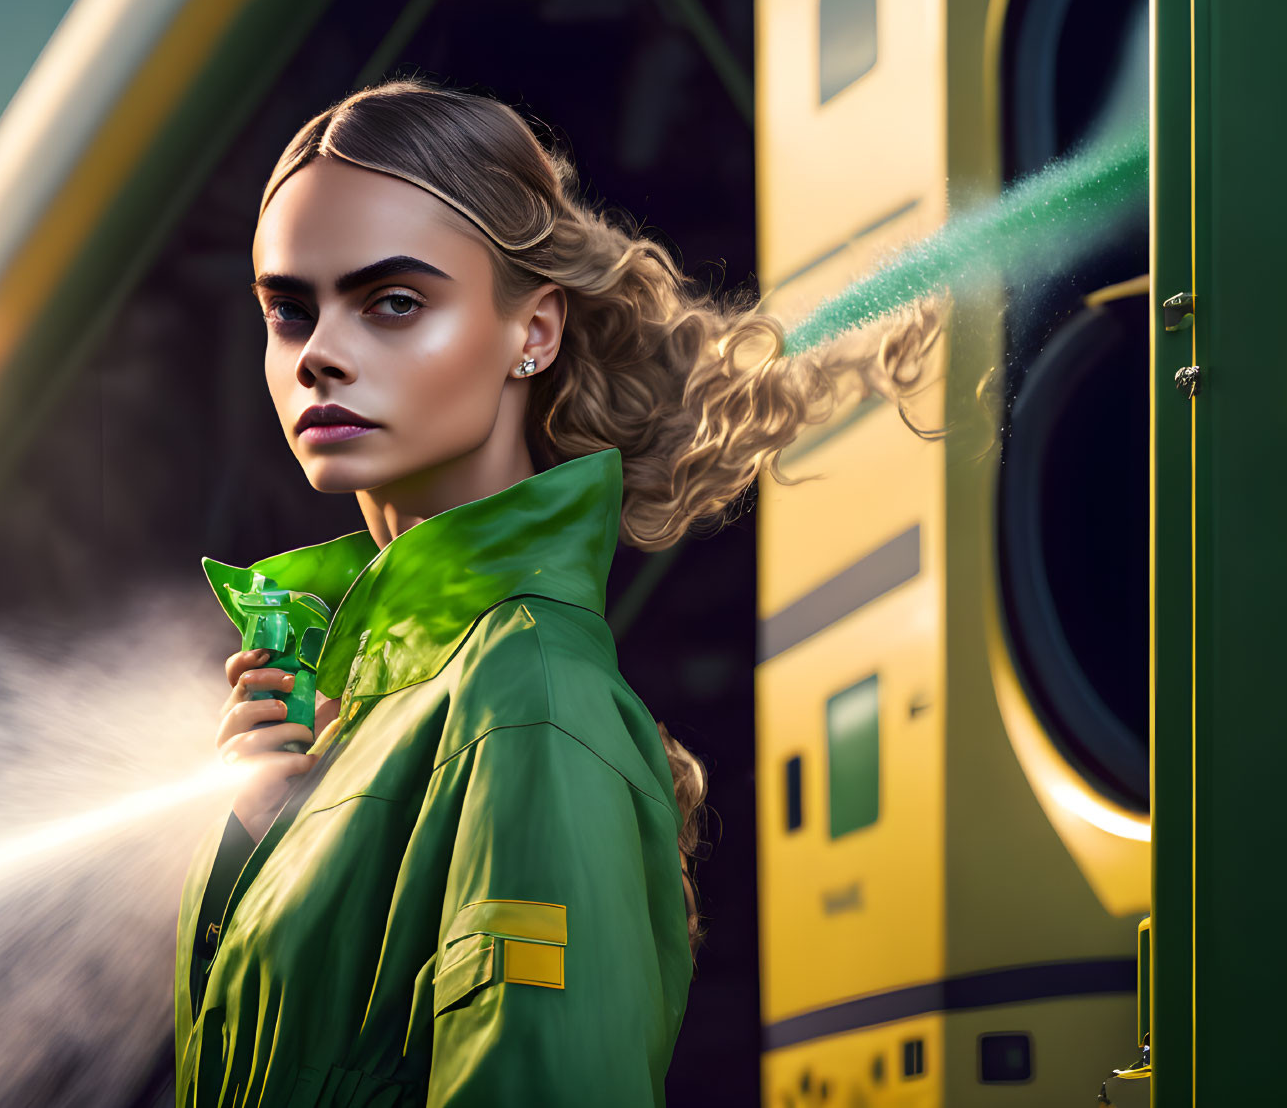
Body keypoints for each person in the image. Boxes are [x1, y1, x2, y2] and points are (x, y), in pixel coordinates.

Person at [173, 78, 944, 1107]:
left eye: (392, 302)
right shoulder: (368, 705)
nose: (317, 356)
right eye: (288, 311)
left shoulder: (524, 700)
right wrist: (263, 832)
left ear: (531, 332)